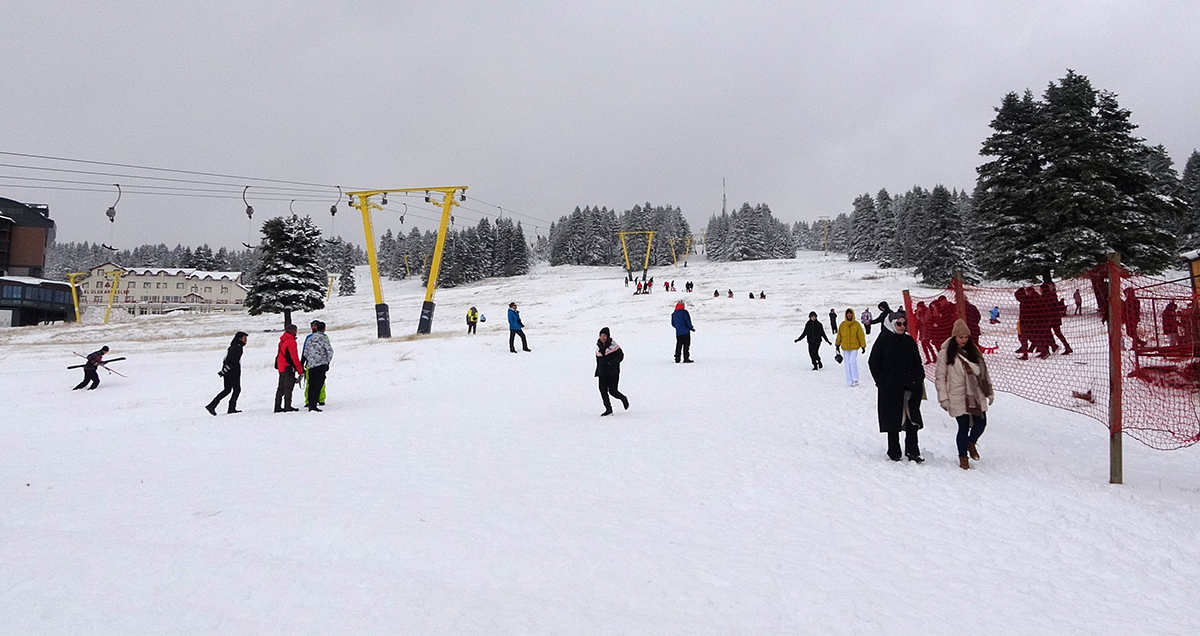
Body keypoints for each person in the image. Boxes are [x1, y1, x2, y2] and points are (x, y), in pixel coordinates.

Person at [935, 319, 995, 470]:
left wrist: (990, 392)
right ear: (954, 336)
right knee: (963, 426)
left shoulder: (974, 351)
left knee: (981, 423)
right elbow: (940, 376)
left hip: (976, 393)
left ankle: (971, 443)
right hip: (957, 394)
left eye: (966, 337)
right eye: (960, 337)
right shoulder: (945, 353)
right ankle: (963, 458)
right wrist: (943, 397)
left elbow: (984, 373)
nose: (963, 340)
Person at [868, 311, 926, 462]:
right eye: (898, 324)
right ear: (892, 324)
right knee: (893, 420)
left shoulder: (908, 341)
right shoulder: (883, 340)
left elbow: (917, 362)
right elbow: (874, 362)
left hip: (910, 388)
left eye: (904, 324)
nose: (902, 327)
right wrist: (881, 382)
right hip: (890, 389)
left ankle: (913, 451)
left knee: (912, 420)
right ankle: (894, 451)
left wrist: (918, 378)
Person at [206, 332, 247, 415]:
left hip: (227, 371)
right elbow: (232, 361)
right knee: (237, 389)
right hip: (232, 372)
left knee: (227, 390)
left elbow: (226, 360)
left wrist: (224, 371)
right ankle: (231, 408)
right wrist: (226, 370)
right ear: (239, 339)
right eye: (244, 338)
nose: (246, 340)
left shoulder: (232, 347)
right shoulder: (237, 348)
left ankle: (212, 405)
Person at [595, 327, 628, 416]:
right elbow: (598, 360)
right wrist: (597, 370)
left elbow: (621, 356)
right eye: (601, 336)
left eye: (604, 336)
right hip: (602, 373)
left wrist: (612, 363)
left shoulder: (614, 346)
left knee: (613, 391)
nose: (603, 338)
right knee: (602, 390)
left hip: (613, 372)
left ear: (608, 336)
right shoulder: (598, 347)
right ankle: (608, 409)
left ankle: (623, 398)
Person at [303, 320, 333, 412]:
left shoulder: (309, 338)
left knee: (311, 384)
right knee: (318, 384)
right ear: (324, 329)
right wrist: (327, 362)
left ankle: (310, 403)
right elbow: (329, 351)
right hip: (321, 364)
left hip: (311, 365)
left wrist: (309, 361)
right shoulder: (324, 338)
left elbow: (305, 352)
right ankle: (314, 404)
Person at [835, 308, 867, 387]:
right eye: (848, 314)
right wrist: (837, 344)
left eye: (850, 313)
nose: (849, 315)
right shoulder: (843, 324)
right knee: (847, 363)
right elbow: (839, 335)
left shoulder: (856, 324)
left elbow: (861, 335)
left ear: (852, 314)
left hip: (854, 347)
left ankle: (855, 379)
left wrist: (863, 346)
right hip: (845, 347)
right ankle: (849, 380)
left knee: (852, 361)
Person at [274, 324, 301, 413]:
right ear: (293, 331)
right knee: (288, 387)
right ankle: (287, 406)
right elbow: (294, 357)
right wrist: (300, 370)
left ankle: (277, 406)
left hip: (281, 366)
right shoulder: (291, 341)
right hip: (288, 367)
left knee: (281, 387)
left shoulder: (282, 340)